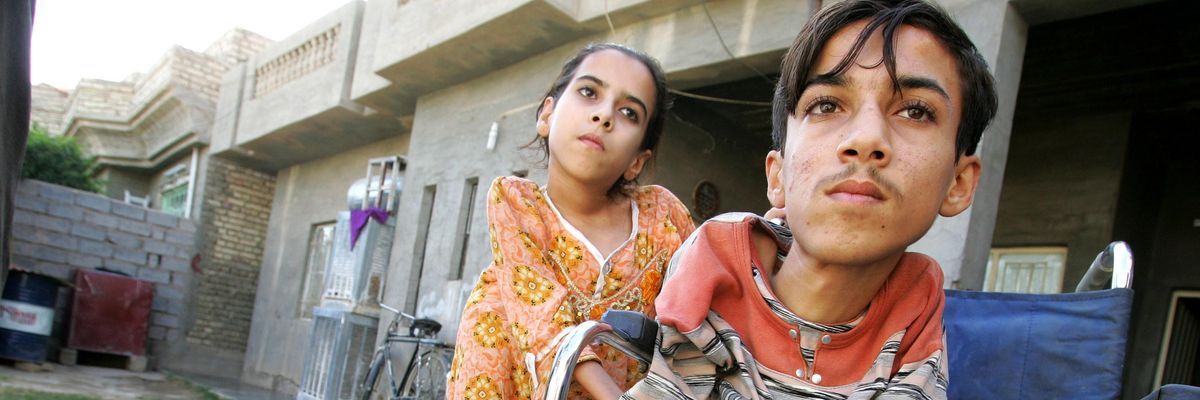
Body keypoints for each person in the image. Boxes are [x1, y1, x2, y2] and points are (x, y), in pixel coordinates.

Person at [624, 0, 998, 398]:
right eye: (826, 105)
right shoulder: (711, 272)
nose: (866, 138)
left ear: (958, 182)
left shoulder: (916, 320)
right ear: (778, 175)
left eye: (916, 112)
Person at [447, 43, 696, 400]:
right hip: (507, 380)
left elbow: (699, 302)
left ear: (637, 162)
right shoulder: (518, 203)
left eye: (629, 112)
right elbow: (546, 323)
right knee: (495, 306)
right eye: (588, 92)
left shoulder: (662, 216)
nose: (604, 115)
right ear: (547, 115)